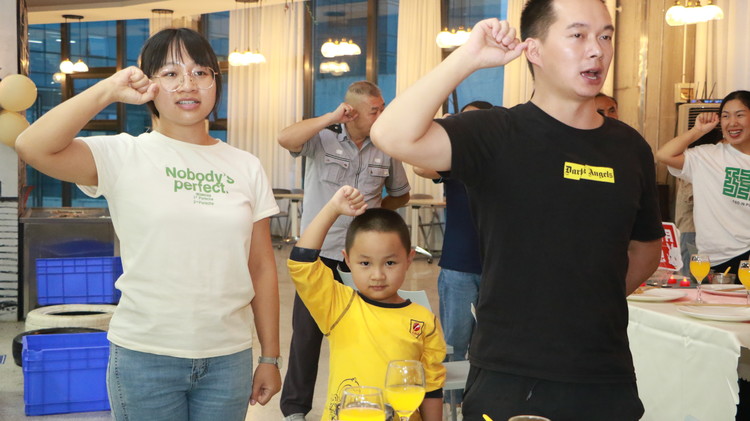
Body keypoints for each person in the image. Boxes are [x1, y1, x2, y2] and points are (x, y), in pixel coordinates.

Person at [369, 0, 664, 419]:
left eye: (605, 36)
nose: (596, 49)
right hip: (510, 374)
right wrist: (468, 58)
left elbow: (645, 249)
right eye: (578, 35)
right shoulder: (497, 133)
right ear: (534, 49)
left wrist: (586, 301)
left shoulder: (630, 148)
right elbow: (391, 134)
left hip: (605, 373)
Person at [15, 28, 281, 421]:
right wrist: (107, 89)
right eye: (171, 73)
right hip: (145, 356)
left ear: (215, 83)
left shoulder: (246, 165)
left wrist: (270, 356)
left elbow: (261, 266)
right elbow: (31, 145)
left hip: (228, 357)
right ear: (148, 85)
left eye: (200, 72)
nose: (188, 84)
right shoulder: (124, 154)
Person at [277, 81, 411, 421]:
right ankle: (295, 410)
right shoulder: (323, 139)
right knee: (306, 336)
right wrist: (330, 117)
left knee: (364, 333)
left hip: (362, 260)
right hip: (319, 254)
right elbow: (285, 139)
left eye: (382, 108)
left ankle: (365, 402)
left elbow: (400, 193)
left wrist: (374, 213)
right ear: (351, 112)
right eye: (375, 110)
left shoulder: (386, 146)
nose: (382, 115)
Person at [288, 185, 445, 421]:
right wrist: (333, 209)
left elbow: (431, 388)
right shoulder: (338, 305)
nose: (377, 275)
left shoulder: (424, 321)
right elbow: (301, 262)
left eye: (390, 263)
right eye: (365, 263)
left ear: (409, 259)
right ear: (348, 260)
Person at [413, 100, 491, 409]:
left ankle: (479, 402)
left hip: (497, 266)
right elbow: (419, 164)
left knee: (489, 344)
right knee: (455, 343)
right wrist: (445, 129)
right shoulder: (454, 160)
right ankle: (453, 406)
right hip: (458, 266)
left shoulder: (503, 158)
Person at [656, 90, 750, 277]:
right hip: (711, 260)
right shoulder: (707, 156)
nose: (732, 123)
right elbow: (664, 155)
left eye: (740, 115)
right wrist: (697, 130)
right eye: (726, 116)